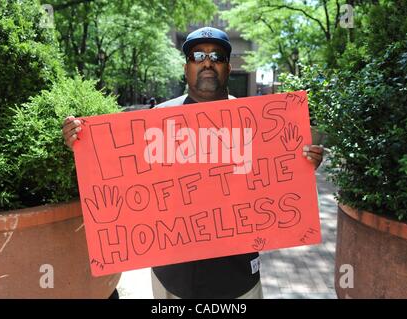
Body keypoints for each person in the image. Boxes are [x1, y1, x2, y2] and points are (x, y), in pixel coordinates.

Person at [62, 26, 324, 299]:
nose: (207, 62)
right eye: (198, 56)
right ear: (186, 67)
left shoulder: (257, 124)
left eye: (217, 56)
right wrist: (84, 145)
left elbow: (273, 184)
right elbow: (121, 173)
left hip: (236, 279)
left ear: (228, 67)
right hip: (171, 276)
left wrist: (300, 165)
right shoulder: (157, 120)